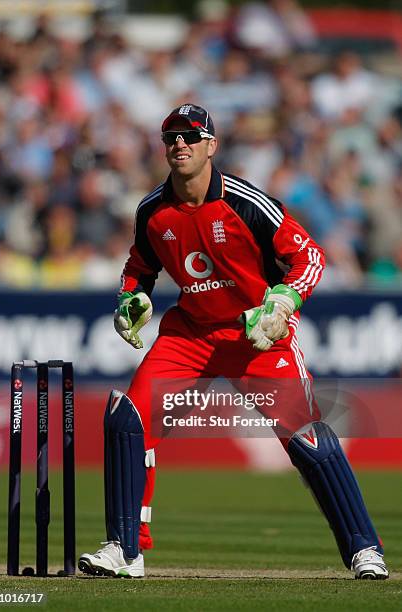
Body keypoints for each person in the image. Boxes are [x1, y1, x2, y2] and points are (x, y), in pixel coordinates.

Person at [79, 104, 388, 580]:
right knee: (129, 417)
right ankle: (125, 549)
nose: (179, 144)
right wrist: (130, 299)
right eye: (171, 137)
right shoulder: (153, 211)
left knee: (306, 438)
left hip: (256, 337)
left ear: (211, 145)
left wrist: (282, 304)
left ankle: (365, 549)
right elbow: (138, 268)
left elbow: (309, 257)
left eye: (190, 135)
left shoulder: (246, 202)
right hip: (190, 335)